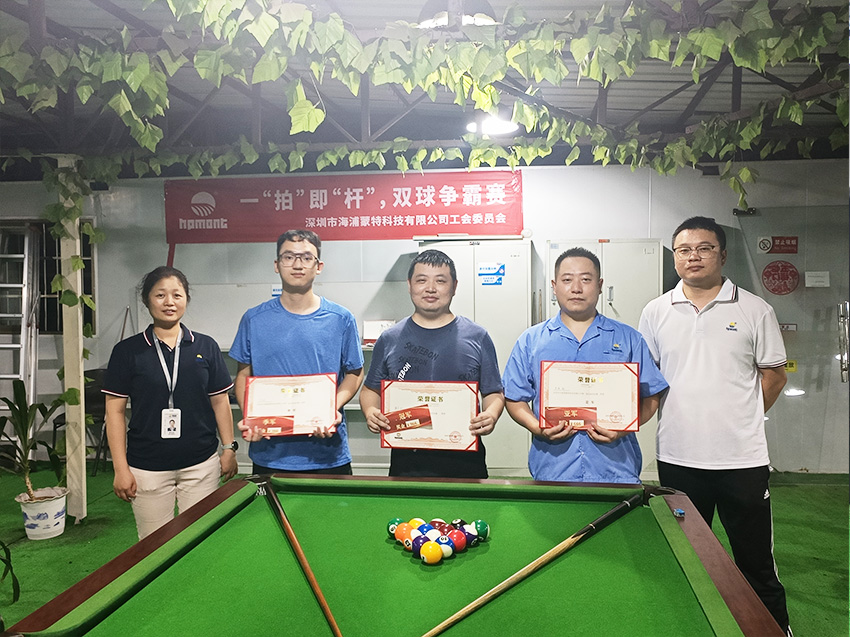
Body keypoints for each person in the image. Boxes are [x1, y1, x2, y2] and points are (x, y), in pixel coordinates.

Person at [638, 216, 791, 635]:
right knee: (686, 557)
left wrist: (741, 416)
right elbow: (647, 379)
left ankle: (776, 629)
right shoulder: (655, 311)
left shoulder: (755, 309)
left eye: (704, 248)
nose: (693, 257)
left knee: (755, 562)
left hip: (742, 461)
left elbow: (775, 376)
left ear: (722, 255)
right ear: (675, 258)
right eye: (684, 250)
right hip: (678, 458)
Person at [502, 247, 667, 483]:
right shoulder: (531, 341)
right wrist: (538, 428)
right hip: (553, 468)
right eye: (567, 280)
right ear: (554, 286)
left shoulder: (629, 339)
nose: (576, 288)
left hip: (616, 469)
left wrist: (623, 428)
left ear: (600, 285)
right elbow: (514, 398)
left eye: (586, 280)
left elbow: (651, 395)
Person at [104, 266, 238, 540]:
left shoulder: (206, 346)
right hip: (147, 467)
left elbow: (220, 401)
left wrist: (228, 448)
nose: (169, 302)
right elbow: (114, 411)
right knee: (154, 544)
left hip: (201, 464)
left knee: (200, 539)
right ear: (147, 300)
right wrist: (120, 468)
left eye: (177, 295)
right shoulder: (127, 351)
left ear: (186, 299)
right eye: (160, 295)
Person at [359, 249, 504, 478]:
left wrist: (491, 414)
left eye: (440, 281)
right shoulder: (390, 339)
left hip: (465, 459)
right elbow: (370, 390)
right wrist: (371, 411)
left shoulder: (478, 337)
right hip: (407, 459)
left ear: (454, 286)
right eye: (421, 280)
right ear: (409, 285)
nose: (430, 288)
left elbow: (494, 391)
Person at [230, 229, 364, 474]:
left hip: (327, 454)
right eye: (288, 257)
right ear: (276, 265)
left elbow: (355, 373)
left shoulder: (341, 318)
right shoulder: (254, 319)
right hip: (270, 453)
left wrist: (331, 408)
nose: (297, 265)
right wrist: (250, 415)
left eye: (306, 257)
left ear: (319, 266)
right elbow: (243, 374)